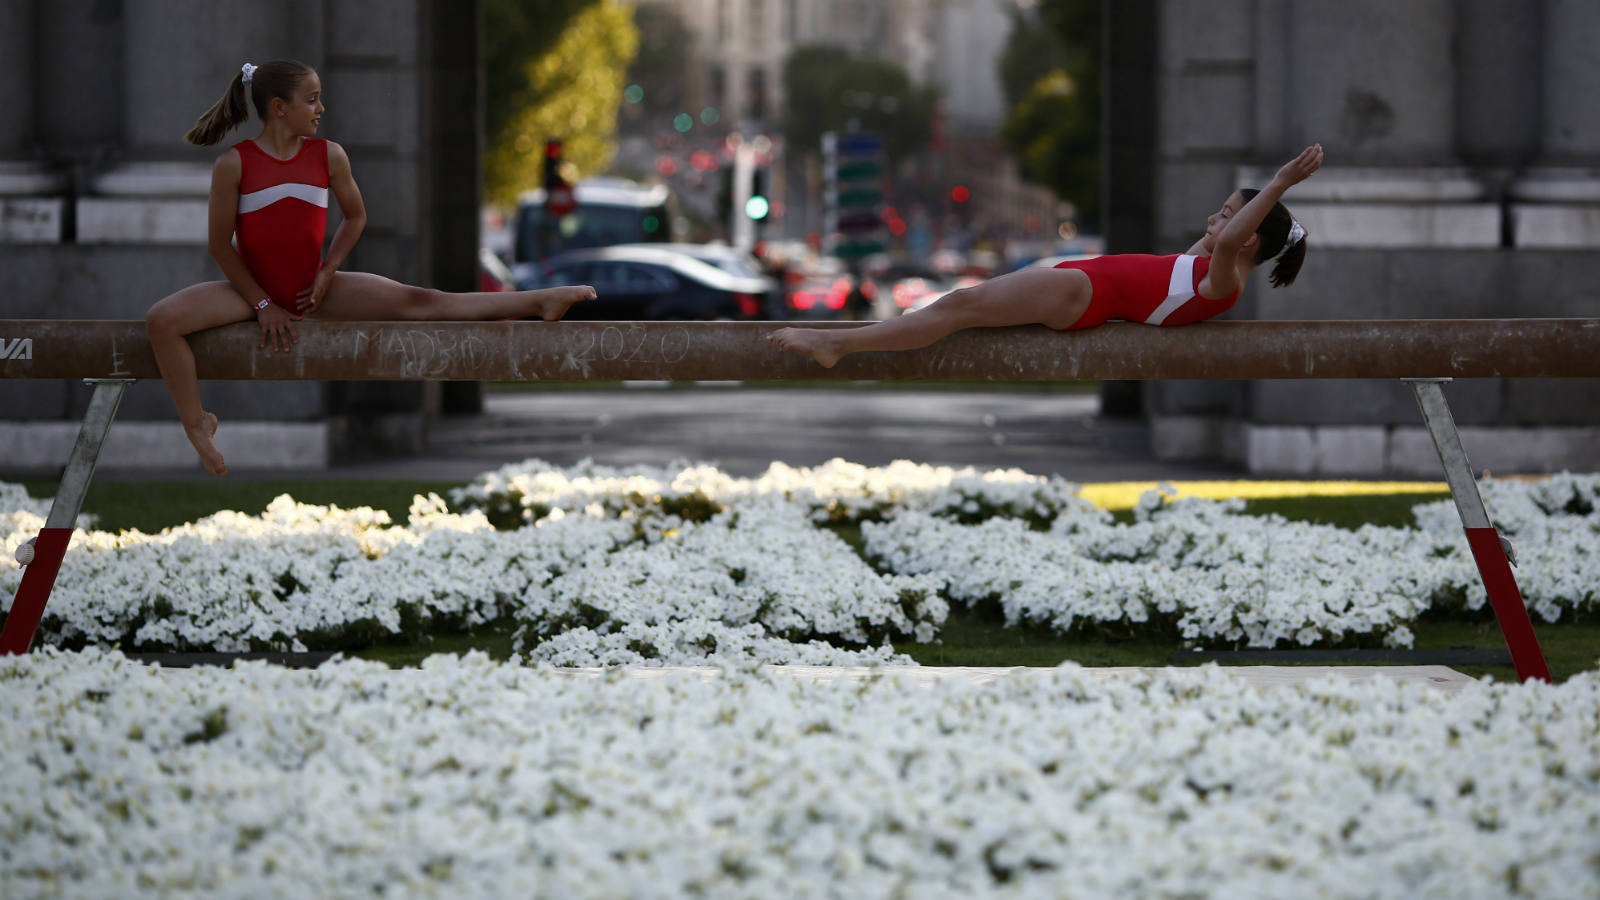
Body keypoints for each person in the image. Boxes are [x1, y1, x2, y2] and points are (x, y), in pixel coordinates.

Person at [145, 59, 596, 475]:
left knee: (424, 302)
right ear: (279, 108)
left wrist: (327, 271)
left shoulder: (329, 156)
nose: (322, 107)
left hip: (313, 288)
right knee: (162, 320)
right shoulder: (234, 164)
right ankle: (196, 424)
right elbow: (220, 246)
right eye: (312, 99)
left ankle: (540, 300)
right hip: (250, 294)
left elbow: (356, 217)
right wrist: (262, 303)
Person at [769, 144, 1324, 368]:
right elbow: (1215, 242)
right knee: (961, 311)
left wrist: (1278, 185)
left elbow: (1227, 242)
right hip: (1075, 285)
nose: (1214, 222)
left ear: (1249, 239)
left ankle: (834, 343)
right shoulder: (1204, 268)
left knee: (957, 306)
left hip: (1079, 293)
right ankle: (838, 343)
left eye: (1226, 214)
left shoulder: (1224, 281)